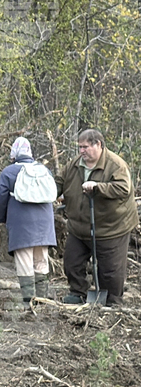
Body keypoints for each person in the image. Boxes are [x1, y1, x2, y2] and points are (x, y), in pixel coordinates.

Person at [55, 128, 136, 305]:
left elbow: (124, 188)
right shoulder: (75, 164)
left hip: (111, 227)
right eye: (80, 147)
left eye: (85, 147)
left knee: (110, 269)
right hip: (79, 226)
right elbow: (59, 181)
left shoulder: (116, 165)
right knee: (72, 262)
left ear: (98, 144)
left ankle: (112, 301)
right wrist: (47, 192)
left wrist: (98, 187)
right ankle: (78, 293)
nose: (81, 151)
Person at [0, 137, 57, 307]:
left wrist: (0, 218)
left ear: (14, 154)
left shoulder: (8, 172)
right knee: (41, 260)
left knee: (25, 262)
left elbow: (0, 200)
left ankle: (29, 302)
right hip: (45, 225)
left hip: (21, 224)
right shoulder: (44, 170)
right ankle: (42, 300)